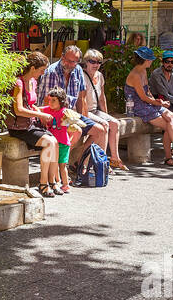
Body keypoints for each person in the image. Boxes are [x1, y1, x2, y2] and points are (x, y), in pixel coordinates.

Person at [41, 44, 107, 173]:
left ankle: (79, 162)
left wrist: (85, 120)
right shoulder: (52, 72)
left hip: (70, 114)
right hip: (54, 115)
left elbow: (81, 98)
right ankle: (58, 165)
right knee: (76, 132)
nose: (72, 64)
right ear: (62, 57)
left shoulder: (77, 70)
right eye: (70, 61)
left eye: (76, 61)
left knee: (100, 130)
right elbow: (46, 101)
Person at [124, 46, 173, 166]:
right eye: (150, 59)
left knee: (172, 117)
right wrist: (159, 102)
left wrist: (158, 101)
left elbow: (148, 92)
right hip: (138, 107)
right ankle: (170, 156)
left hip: (148, 103)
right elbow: (143, 98)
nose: (151, 61)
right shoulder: (135, 75)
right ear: (145, 60)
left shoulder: (143, 71)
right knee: (168, 125)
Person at [3, 51, 61, 194]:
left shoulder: (33, 82)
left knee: (55, 142)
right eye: (41, 70)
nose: (42, 73)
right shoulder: (18, 83)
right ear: (33, 68)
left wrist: (38, 112)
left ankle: (53, 181)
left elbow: (29, 104)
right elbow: (19, 110)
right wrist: (40, 114)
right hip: (19, 127)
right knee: (49, 143)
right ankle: (43, 183)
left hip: (31, 124)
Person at [80, 49, 127, 172]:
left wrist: (105, 114)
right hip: (85, 111)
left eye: (99, 62)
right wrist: (86, 117)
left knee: (115, 123)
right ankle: (102, 160)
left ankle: (115, 158)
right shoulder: (82, 76)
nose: (96, 65)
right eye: (92, 62)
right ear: (86, 62)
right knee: (104, 125)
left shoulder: (100, 76)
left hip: (95, 110)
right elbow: (82, 100)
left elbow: (102, 98)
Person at [38, 87, 76, 194]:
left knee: (62, 165)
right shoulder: (48, 109)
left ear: (61, 101)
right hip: (53, 143)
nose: (51, 102)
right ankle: (56, 182)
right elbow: (38, 109)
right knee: (53, 165)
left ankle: (66, 184)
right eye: (50, 100)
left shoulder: (64, 111)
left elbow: (73, 120)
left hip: (62, 143)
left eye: (54, 100)